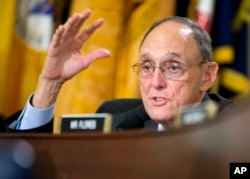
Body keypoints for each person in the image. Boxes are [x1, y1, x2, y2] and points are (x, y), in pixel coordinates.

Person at [1, 9, 234, 132]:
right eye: (146, 67)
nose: (156, 82)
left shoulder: (237, 124)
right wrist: (49, 84)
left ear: (207, 76)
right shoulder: (116, 119)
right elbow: (36, 167)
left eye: (173, 67)